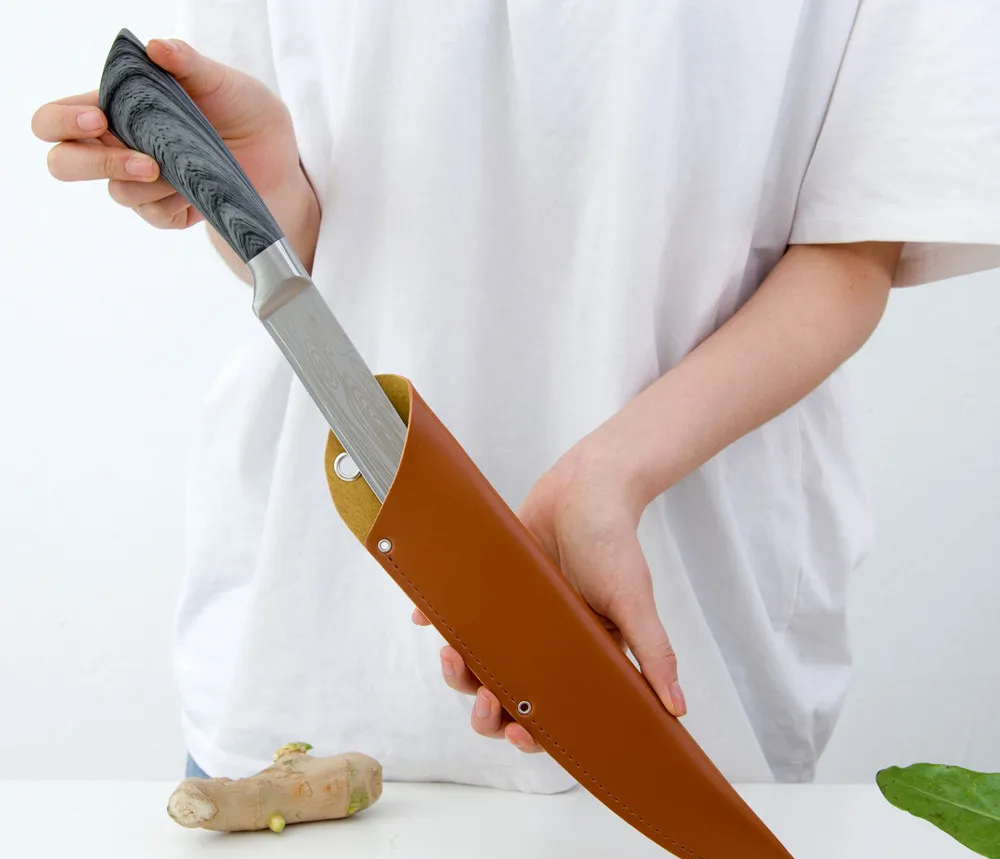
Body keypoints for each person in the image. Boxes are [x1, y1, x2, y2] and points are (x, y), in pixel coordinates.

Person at [33, 2, 1000, 788]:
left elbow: (851, 253)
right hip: (301, 664)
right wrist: (270, 183)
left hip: (694, 656)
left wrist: (610, 473)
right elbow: (321, 249)